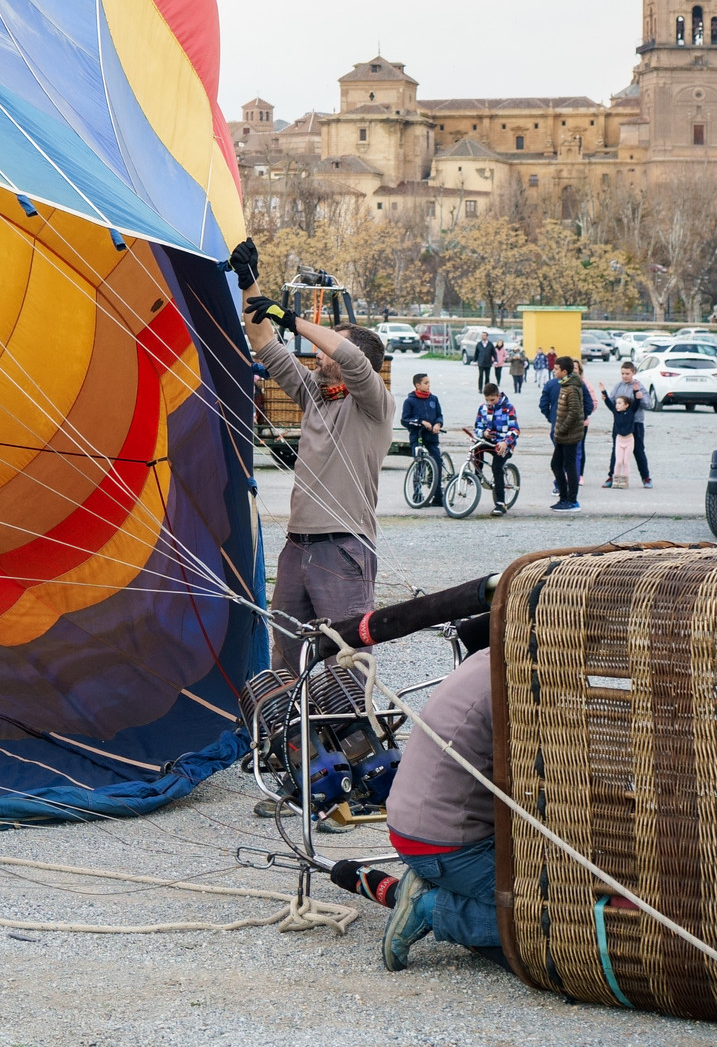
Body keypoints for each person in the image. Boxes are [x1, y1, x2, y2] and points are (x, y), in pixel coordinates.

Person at [245, 300, 390, 678]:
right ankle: (295, 736)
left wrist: (292, 320)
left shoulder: (374, 404)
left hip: (343, 547)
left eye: (326, 351)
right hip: (297, 547)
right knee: (286, 655)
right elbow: (264, 342)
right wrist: (249, 282)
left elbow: (354, 360)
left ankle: (357, 736)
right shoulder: (316, 394)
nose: (318, 356)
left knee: (347, 661)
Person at [380, 650, 503, 969]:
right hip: (446, 845)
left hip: (415, 828)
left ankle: (435, 881)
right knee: (543, 912)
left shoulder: (486, 657)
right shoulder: (511, 687)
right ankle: (430, 908)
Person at [465, 382, 520, 504]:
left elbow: (515, 430)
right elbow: (478, 427)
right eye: (487, 400)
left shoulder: (509, 408)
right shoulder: (483, 408)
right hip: (489, 441)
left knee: (496, 467)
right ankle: (478, 475)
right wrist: (484, 433)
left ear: (498, 396)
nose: (489, 403)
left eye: (492, 400)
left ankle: (500, 503)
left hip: (504, 443)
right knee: (477, 448)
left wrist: (506, 442)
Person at [548, 356, 588, 509]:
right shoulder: (565, 385)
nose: (554, 370)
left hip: (569, 435)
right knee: (556, 465)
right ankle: (563, 498)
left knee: (569, 466)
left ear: (564, 371)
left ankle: (572, 500)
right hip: (562, 435)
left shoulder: (571, 388)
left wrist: (561, 429)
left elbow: (574, 413)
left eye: (557, 369)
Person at [606, 361, 651, 488]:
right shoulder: (618, 386)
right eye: (622, 373)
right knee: (616, 450)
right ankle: (612, 476)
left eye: (627, 373)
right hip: (620, 424)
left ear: (633, 373)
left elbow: (648, 404)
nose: (625, 376)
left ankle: (646, 478)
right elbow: (612, 401)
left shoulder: (639, 386)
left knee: (638, 450)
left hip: (636, 423)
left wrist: (639, 397)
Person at [401, 373, 446, 496]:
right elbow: (405, 420)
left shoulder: (433, 399)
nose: (428, 385)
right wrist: (420, 422)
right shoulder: (410, 401)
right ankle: (417, 494)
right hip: (418, 436)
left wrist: (438, 424)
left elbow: (439, 415)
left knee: (437, 462)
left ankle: (438, 495)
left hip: (432, 437)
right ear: (417, 385)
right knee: (419, 464)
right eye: (426, 383)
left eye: (429, 383)